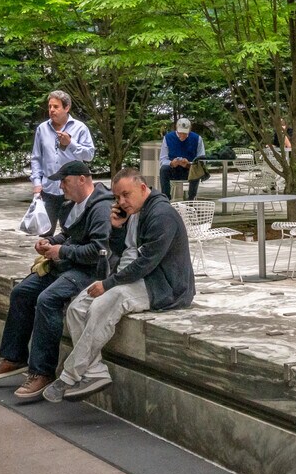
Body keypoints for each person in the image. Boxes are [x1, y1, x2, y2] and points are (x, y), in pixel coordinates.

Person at [42, 169, 195, 402]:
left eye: (126, 195)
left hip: (163, 287)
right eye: (117, 197)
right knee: (76, 308)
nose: (121, 202)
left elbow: (145, 264)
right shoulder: (132, 212)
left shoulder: (161, 215)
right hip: (132, 278)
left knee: (103, 304)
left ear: (142, 188)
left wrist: (108, 284)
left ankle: (69, 375)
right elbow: (123, 252)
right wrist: (116, 229)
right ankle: (95, 372)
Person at [0, 162, 113, 401]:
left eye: (65, 180)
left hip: (90, 271)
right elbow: (69, 234)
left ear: (82, 179)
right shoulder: (71, 206)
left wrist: (62, 251)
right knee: (21, 292)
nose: (61, 186)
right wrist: (50, 241)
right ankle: (15, 357)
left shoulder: (101, 208)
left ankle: (42, 371)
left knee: (48, 299)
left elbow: (98, 250)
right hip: (67, 264)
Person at [29, 90, 95, 232]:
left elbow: (89, 155)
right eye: (49, 106)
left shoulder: (80, 128)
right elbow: (36, 158)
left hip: (73, 191)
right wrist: (37, 183)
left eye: (56, 106)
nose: (51, 110)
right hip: (48, 189)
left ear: (67, 108)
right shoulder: (42, 129)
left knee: (71, 233)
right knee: (45, 234)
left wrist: (70, 143)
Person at [158, 117, 205, 201]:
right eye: (180, 133)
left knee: (195, 169)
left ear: (189, 130)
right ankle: (166, 199)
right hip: (173, 170)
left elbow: (202, 160)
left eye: (185, 133)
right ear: (176, 129)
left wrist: (189, 164)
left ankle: (191, 199)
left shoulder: (197, 138)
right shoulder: (168, 138)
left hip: (189, 171)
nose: (182, 135)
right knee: (163, 169)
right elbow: (163, 159)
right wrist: (171, 163)